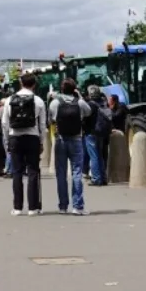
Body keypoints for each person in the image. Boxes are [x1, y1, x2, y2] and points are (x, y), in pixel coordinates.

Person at [0, 73, 47, 216]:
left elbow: (4, 123)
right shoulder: (38, 100)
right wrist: (41, 141)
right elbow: (43, 123)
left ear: (21, 83)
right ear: (34, 84)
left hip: (15, 137)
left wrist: (7, 140)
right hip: (32, 137)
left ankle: (17, 207)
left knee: (17, 172)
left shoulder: (9, 100)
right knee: (33, 171)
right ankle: (33, 207)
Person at [49, 79, 92, 215]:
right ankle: (77, 206)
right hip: (76, 139)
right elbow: (89, 112)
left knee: (61, 174)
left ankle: (63, 206)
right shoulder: (79, 102)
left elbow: (51, 119)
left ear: (61, 89)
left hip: (60, 139)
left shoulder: (55, 102)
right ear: (74, 89)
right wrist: (79, 96)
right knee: (77, 172)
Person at [86, 85, 112, 186]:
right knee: (100, 155)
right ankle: (103, 178)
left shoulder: (90, 104)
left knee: (94, 156)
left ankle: (96, 178)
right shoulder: (104, 103)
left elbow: (86, 117)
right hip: (102, 132)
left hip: (92, 132)